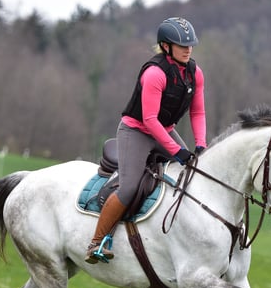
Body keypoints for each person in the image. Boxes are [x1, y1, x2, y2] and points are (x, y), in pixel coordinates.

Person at [85, 17, 207, 264]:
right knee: (129, 187)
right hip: (136, 132)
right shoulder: (154, 73)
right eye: (181, 45)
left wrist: (200, 143)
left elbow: (198, 112)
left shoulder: (195, 73)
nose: (188, 49)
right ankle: (96, 243)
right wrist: (177, 151)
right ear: (165, 46)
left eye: (190, 44)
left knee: (193, 173)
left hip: (165, 130)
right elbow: (150, 120)